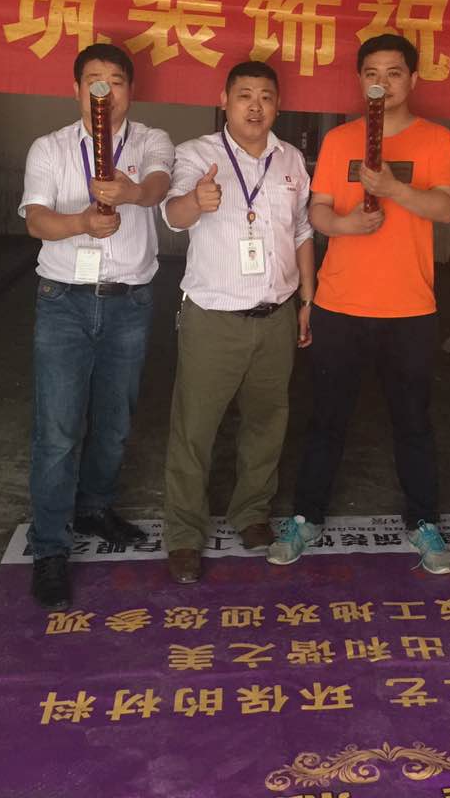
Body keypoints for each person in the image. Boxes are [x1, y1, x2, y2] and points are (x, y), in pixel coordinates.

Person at [267, 33, 450, 574]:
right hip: (341, 304)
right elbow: (319, 211)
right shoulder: (340, 140)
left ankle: (423, 521)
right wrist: (346, 225)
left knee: (413, 421)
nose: (383, 82)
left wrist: (394, 189)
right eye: (372, 73)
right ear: (360, 81)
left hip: (409, 308)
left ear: (412, 80)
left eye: (394, 72)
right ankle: (306, 516)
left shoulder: (437, 140)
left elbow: (445, 209)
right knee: (326, 418)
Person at [20, 43, 173, 609]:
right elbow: (37, 219)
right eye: (93, 80)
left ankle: (95, 507)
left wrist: (131, 193)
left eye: (116, 80)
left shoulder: (151, 140)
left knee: (114, 420)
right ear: (76, 89)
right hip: (64, 301)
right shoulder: (50, 147)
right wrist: (81, 221)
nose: (104, 90)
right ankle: (50, 547)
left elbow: (158, 184)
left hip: (129, 302)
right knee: (58, 430)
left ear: (131, 90)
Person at [162, 61, 314, 584]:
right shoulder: (196, 154)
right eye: (244, 94)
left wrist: (307, 298)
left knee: (267, 423)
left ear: (278, 105)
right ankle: (184, 534)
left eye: (266, 96)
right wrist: (195, 201)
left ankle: (252, 513)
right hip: (213, 319)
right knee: (194, 429)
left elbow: (301, 230)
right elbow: (172, 216)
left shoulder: (291, 159)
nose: (255, 106)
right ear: (223, 100)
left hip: (276, 317)